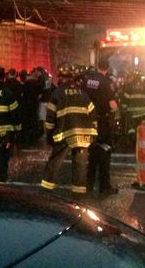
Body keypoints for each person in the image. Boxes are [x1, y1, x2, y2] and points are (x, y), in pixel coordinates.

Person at [41, 62, 98, 197]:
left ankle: (46, 193)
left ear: (61, 77)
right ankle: (78, 196)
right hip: (84, 136)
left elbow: (50, 118)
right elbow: (93, 114)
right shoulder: (83, 93)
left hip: (63, 135)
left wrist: (49, 135)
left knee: (54, 163)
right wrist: (93, 134)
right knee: (80, 166)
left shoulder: (57, 93)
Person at [84, 60, 119, 195]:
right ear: (107, 68)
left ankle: (89, 184)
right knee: (104, 152)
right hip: (103, 121)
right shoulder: (106, 82)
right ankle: (104, 187)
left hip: (89, 120)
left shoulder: (87, 80)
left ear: (97, 66)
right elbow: (112, 105)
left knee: (92, 152)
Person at [120, 70, 145, 151]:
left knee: (131, 129)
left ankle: (132, 145)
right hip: (143, 113)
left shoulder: (129, 86)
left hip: (131, 114)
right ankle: (142, 146)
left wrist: (124, 110)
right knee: (142, 130)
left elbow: (124, 100)